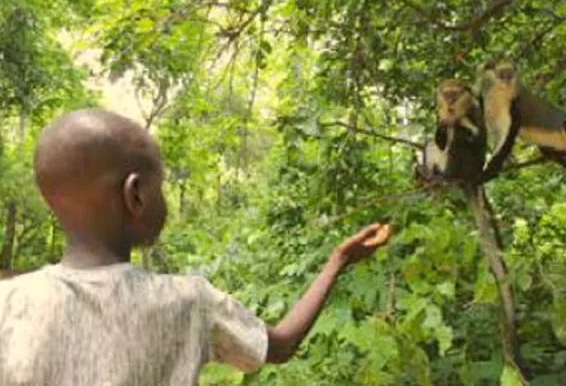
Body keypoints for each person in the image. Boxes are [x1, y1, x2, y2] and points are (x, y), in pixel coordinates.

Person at [0, 108, 391, 386]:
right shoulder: (189, 302)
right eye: (160, 186)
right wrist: (337, 261)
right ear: (135, 195)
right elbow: (282, 345)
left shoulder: (7, 304)